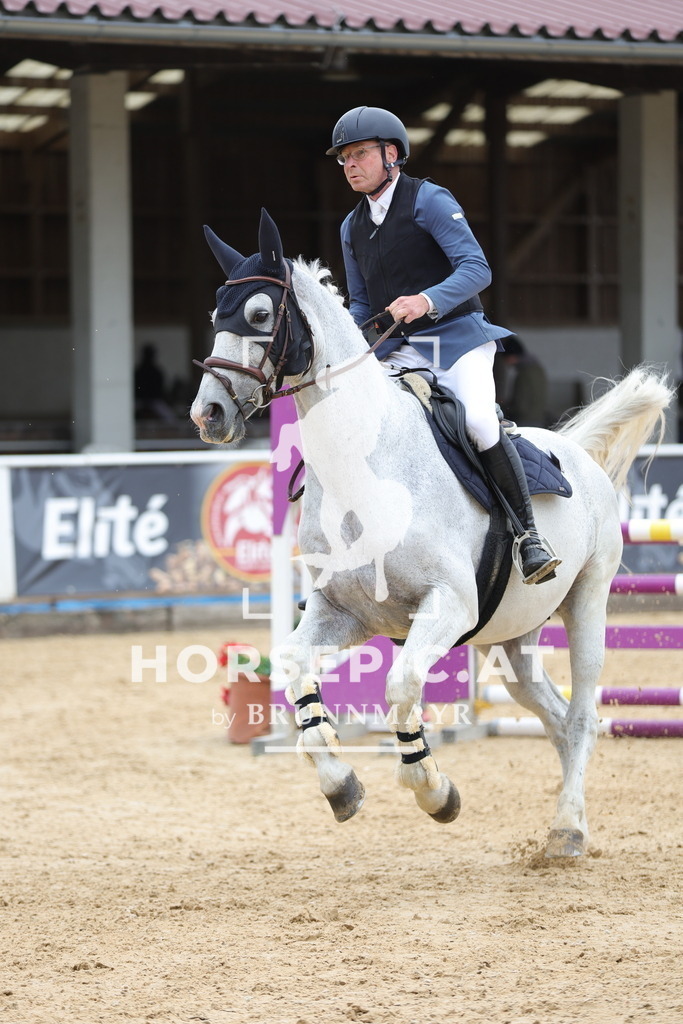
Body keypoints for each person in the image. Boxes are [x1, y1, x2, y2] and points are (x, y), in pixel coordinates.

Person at [327, 105, 560, 584]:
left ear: (391, 155)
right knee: (355, 429)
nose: (351, 165)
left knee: (476, 419)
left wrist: (426, 300)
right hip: (399, 349)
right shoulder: (351, 227)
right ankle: (343, 559)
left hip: (457, 338)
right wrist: (350, 355)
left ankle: (528, 536)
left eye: (360, 154)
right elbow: (359, 304)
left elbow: (477, 269)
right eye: (344, 158)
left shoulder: (428, 199)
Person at [495, 334, 549, 428]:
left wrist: (502, 407)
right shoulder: (536, 368)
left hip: (526, 421)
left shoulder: (524, 373)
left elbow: (520, 404)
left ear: (511, 356)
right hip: (537, 418)